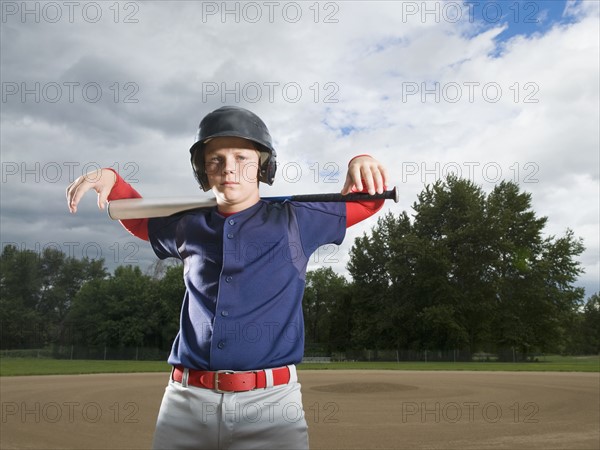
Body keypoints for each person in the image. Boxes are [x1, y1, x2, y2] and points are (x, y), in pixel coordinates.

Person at [66, 106, 389, 449]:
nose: (229, 167)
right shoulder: (188, 224)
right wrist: (113, 180)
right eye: (216, 159)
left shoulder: (297, 220)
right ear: (203, 169)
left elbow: (367, 202)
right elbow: (141, 221)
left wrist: (362, 160)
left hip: (272, 407)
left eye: (241, 157)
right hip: (185, 403)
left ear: (263, 165)